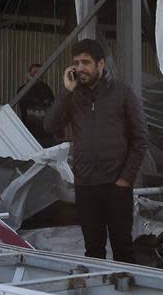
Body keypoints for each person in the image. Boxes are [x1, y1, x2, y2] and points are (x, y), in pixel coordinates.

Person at [44, 39, 148, 263]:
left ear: (101, 64)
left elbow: (140, 139)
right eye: (76, 63)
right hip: (86, 186)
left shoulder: (122, 92)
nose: (80, 68)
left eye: (86, 62)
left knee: (123, 248)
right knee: (93, 251)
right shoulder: (73, 96)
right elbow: (49, 126)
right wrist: (66, 91)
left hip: (116, 186)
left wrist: (126, 179)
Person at [16, 63, 56, 147]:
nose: (38, 74)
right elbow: (22, 110)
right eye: (35, 72)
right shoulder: (23, 89)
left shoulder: (47, 89)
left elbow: (52, 107)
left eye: (40, 72)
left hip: (46, 132)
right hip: (30, 132)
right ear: (29, 73)